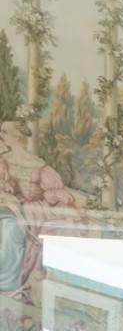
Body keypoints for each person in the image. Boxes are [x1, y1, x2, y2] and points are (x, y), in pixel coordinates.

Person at [0, 120, 84, 298]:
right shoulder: (4, 161)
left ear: (17, 136)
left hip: (35, 209)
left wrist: (52, 198)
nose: (1, 135)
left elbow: (54, 192)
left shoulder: (38, 165)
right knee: (8, 223)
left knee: (15, 227)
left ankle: (13, 282)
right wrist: (9, 199)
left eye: (5, 131)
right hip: (9, 204)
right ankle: (6, 281)